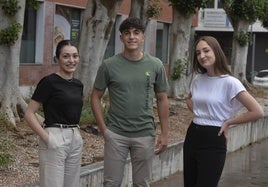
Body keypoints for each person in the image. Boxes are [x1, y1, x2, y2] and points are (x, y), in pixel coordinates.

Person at [91, 17, 169, 187]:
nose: (131, 37)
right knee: (111, 183)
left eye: (136, 33)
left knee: (142, 184)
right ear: (121, 38)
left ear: (143, 37)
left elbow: (162, 99)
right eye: (127, 33)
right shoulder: (109, 65)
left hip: (145, 134)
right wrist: (104, 130)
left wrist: (164, 133)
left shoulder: (155, 65)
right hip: (116, 134)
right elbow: (95, 97)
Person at [184, 36, 264, 187]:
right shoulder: (197, 79)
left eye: (206, 50)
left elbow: (257, 111)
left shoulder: (230, 82)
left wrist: (228, 122)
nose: (202, 56)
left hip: (214, 138)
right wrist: (200, 114)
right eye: (198, 53)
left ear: (216, 51)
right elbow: (189, 99)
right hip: (192, 135)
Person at [24, 40, 84, 187]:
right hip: (55, 136)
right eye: (66, 56)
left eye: (75, 56)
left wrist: (77, 136)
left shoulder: (78, 84)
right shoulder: (49, 82)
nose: (71, 60)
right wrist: (47, 137)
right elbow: (29, 113)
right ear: (57, 59)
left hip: (75, 138)